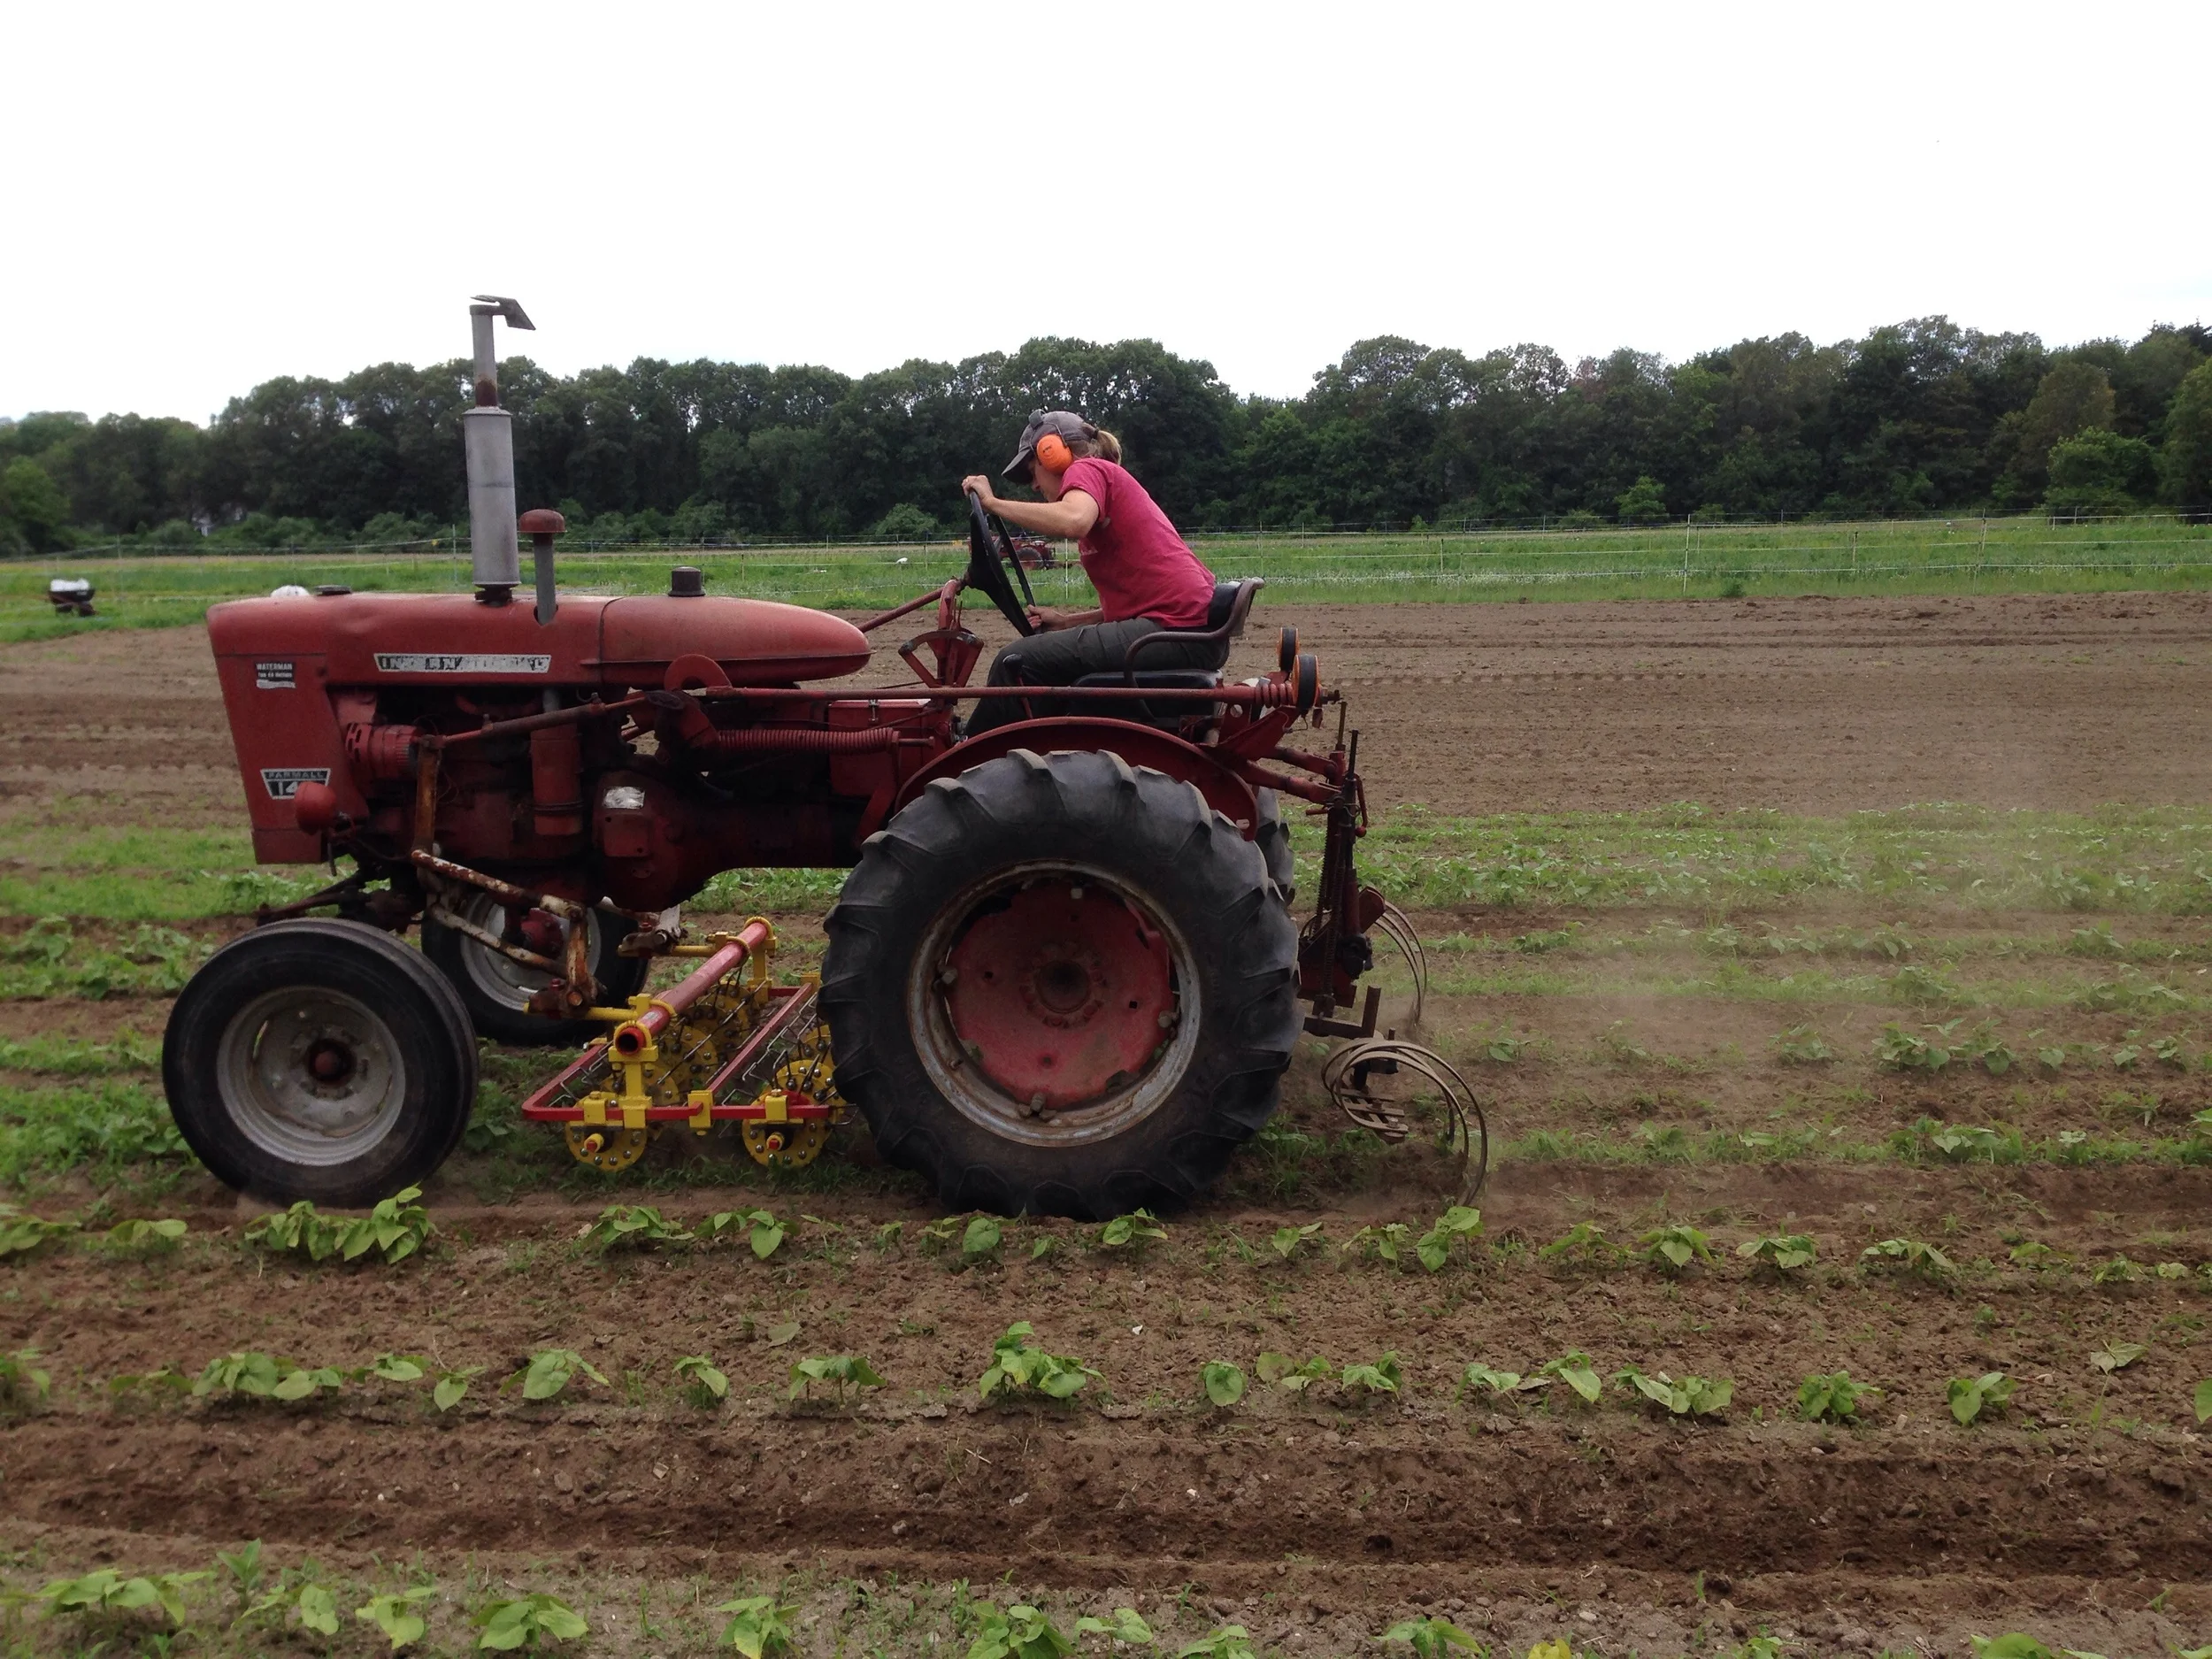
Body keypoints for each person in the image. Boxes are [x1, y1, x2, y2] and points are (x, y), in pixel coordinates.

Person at [958, 410, 1225, 736]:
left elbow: (1073, 520)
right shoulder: (1102, 479)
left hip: (1176, 629)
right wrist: (1068, 621)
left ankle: (968, 757)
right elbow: (1140, 602)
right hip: (1186, 629)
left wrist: (993, 503)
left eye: (1033, 472)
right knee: (1040, 661)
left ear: (1053, 453)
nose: (1033, 485)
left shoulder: (1087, 469)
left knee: (1015, 660)